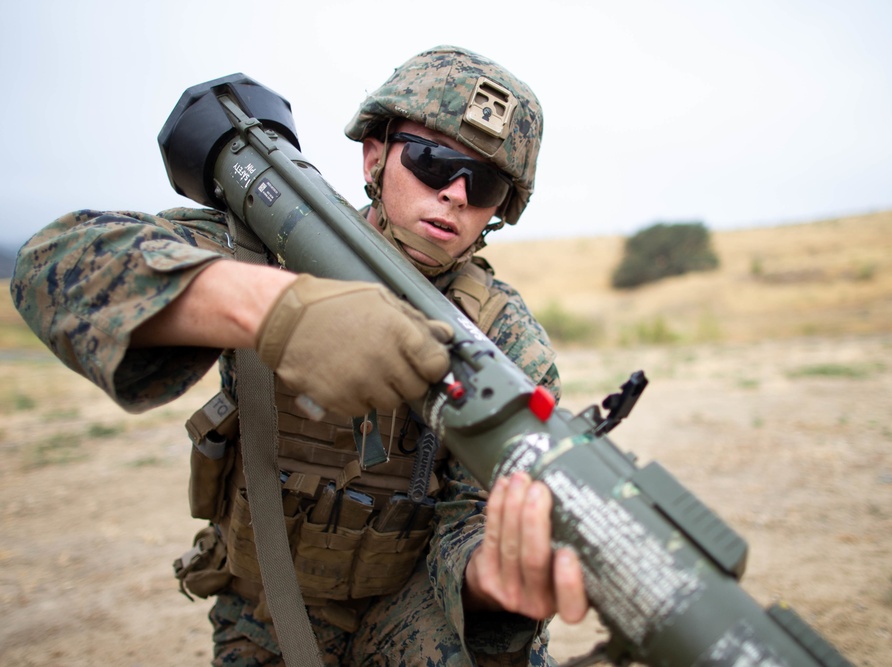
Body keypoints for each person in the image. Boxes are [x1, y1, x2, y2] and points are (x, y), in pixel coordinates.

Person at [10, 46, 588, 665]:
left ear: (499, 208)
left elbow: (475, 515)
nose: (453, 193)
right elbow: (54, 263)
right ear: (375, 156)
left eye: (485, 182)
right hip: (270, 607)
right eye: (431, 160)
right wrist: (273, 309)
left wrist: (486, 579)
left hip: (415, 608)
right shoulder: (270, 247)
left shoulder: (503, 335)